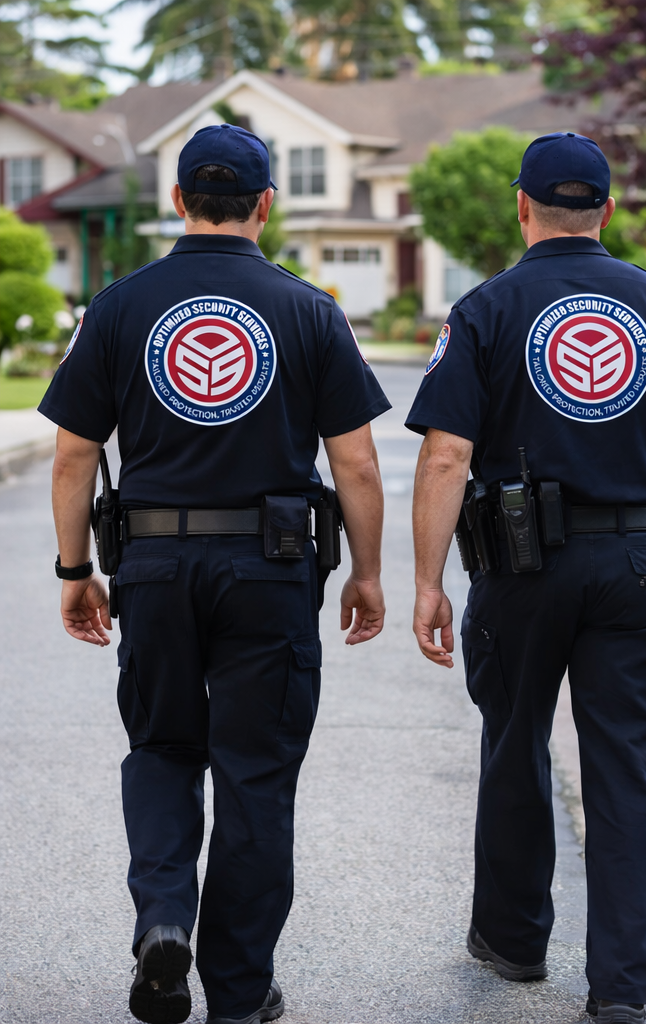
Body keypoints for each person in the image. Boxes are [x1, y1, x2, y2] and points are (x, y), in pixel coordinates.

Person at [40, 123, 390, 1024]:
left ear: (178, 200)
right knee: (256, 772)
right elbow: (355, 463)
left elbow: (74, 452)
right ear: (266, 204)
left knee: (161, 748)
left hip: (151, 566)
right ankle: (238, 992)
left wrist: (75, 567)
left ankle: (164, 920)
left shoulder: (117, 307)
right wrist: (368, 573)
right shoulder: (309, 310)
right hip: (269, 572)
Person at [406, 132, 646, 1023]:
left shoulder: (486, 309)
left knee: (515, 742)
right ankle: (622, 991)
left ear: (521, 206)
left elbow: (446, 456)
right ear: (609, 209)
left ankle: (514, 943)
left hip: (520, 568)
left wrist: (428, 581)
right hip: (637, 563)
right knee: (626, 769)